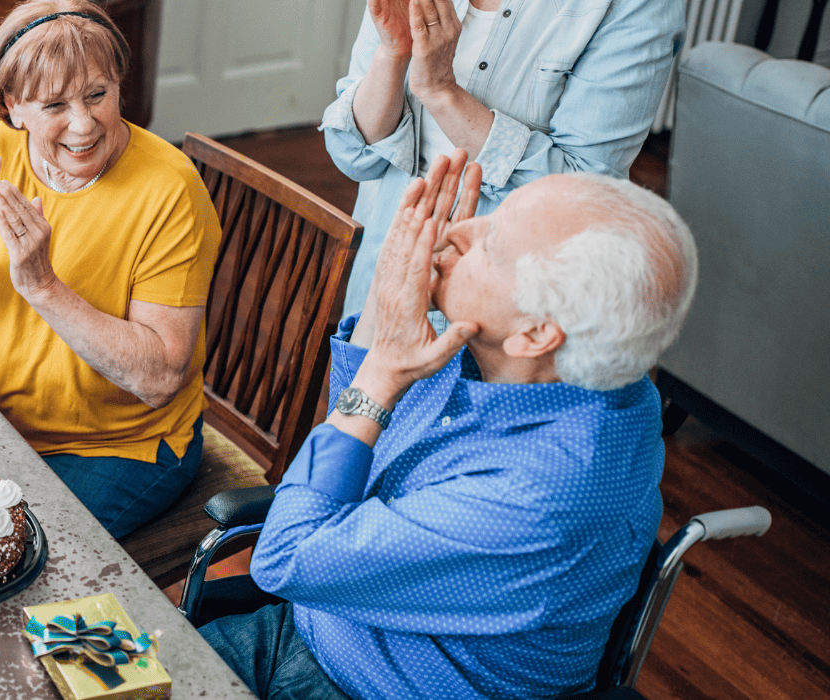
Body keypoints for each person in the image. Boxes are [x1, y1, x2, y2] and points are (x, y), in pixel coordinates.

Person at [197, 151, 697, 700]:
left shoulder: (538, 497)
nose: (457, 231)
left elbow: (286, 554)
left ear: (534, 334)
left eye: (493, 244)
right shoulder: (550, 367)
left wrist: (384, 373)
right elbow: (358, 439)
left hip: (374, 685)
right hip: (314, 620)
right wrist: (385, 321)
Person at [0, 0, 221, 538]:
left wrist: (43, 287)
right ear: (13, 105)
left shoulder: (170, 190)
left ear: (120, 85)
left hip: (109, 448)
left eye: (98, 94)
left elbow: (160, 377)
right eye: (54, 104)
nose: (84, 124)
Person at [325, 0, 682, 317]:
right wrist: (392, 56)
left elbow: (579, 199)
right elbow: (353, 155)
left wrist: (441, 90)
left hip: (500, 321)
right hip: (378, 285)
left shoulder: (638, 6)